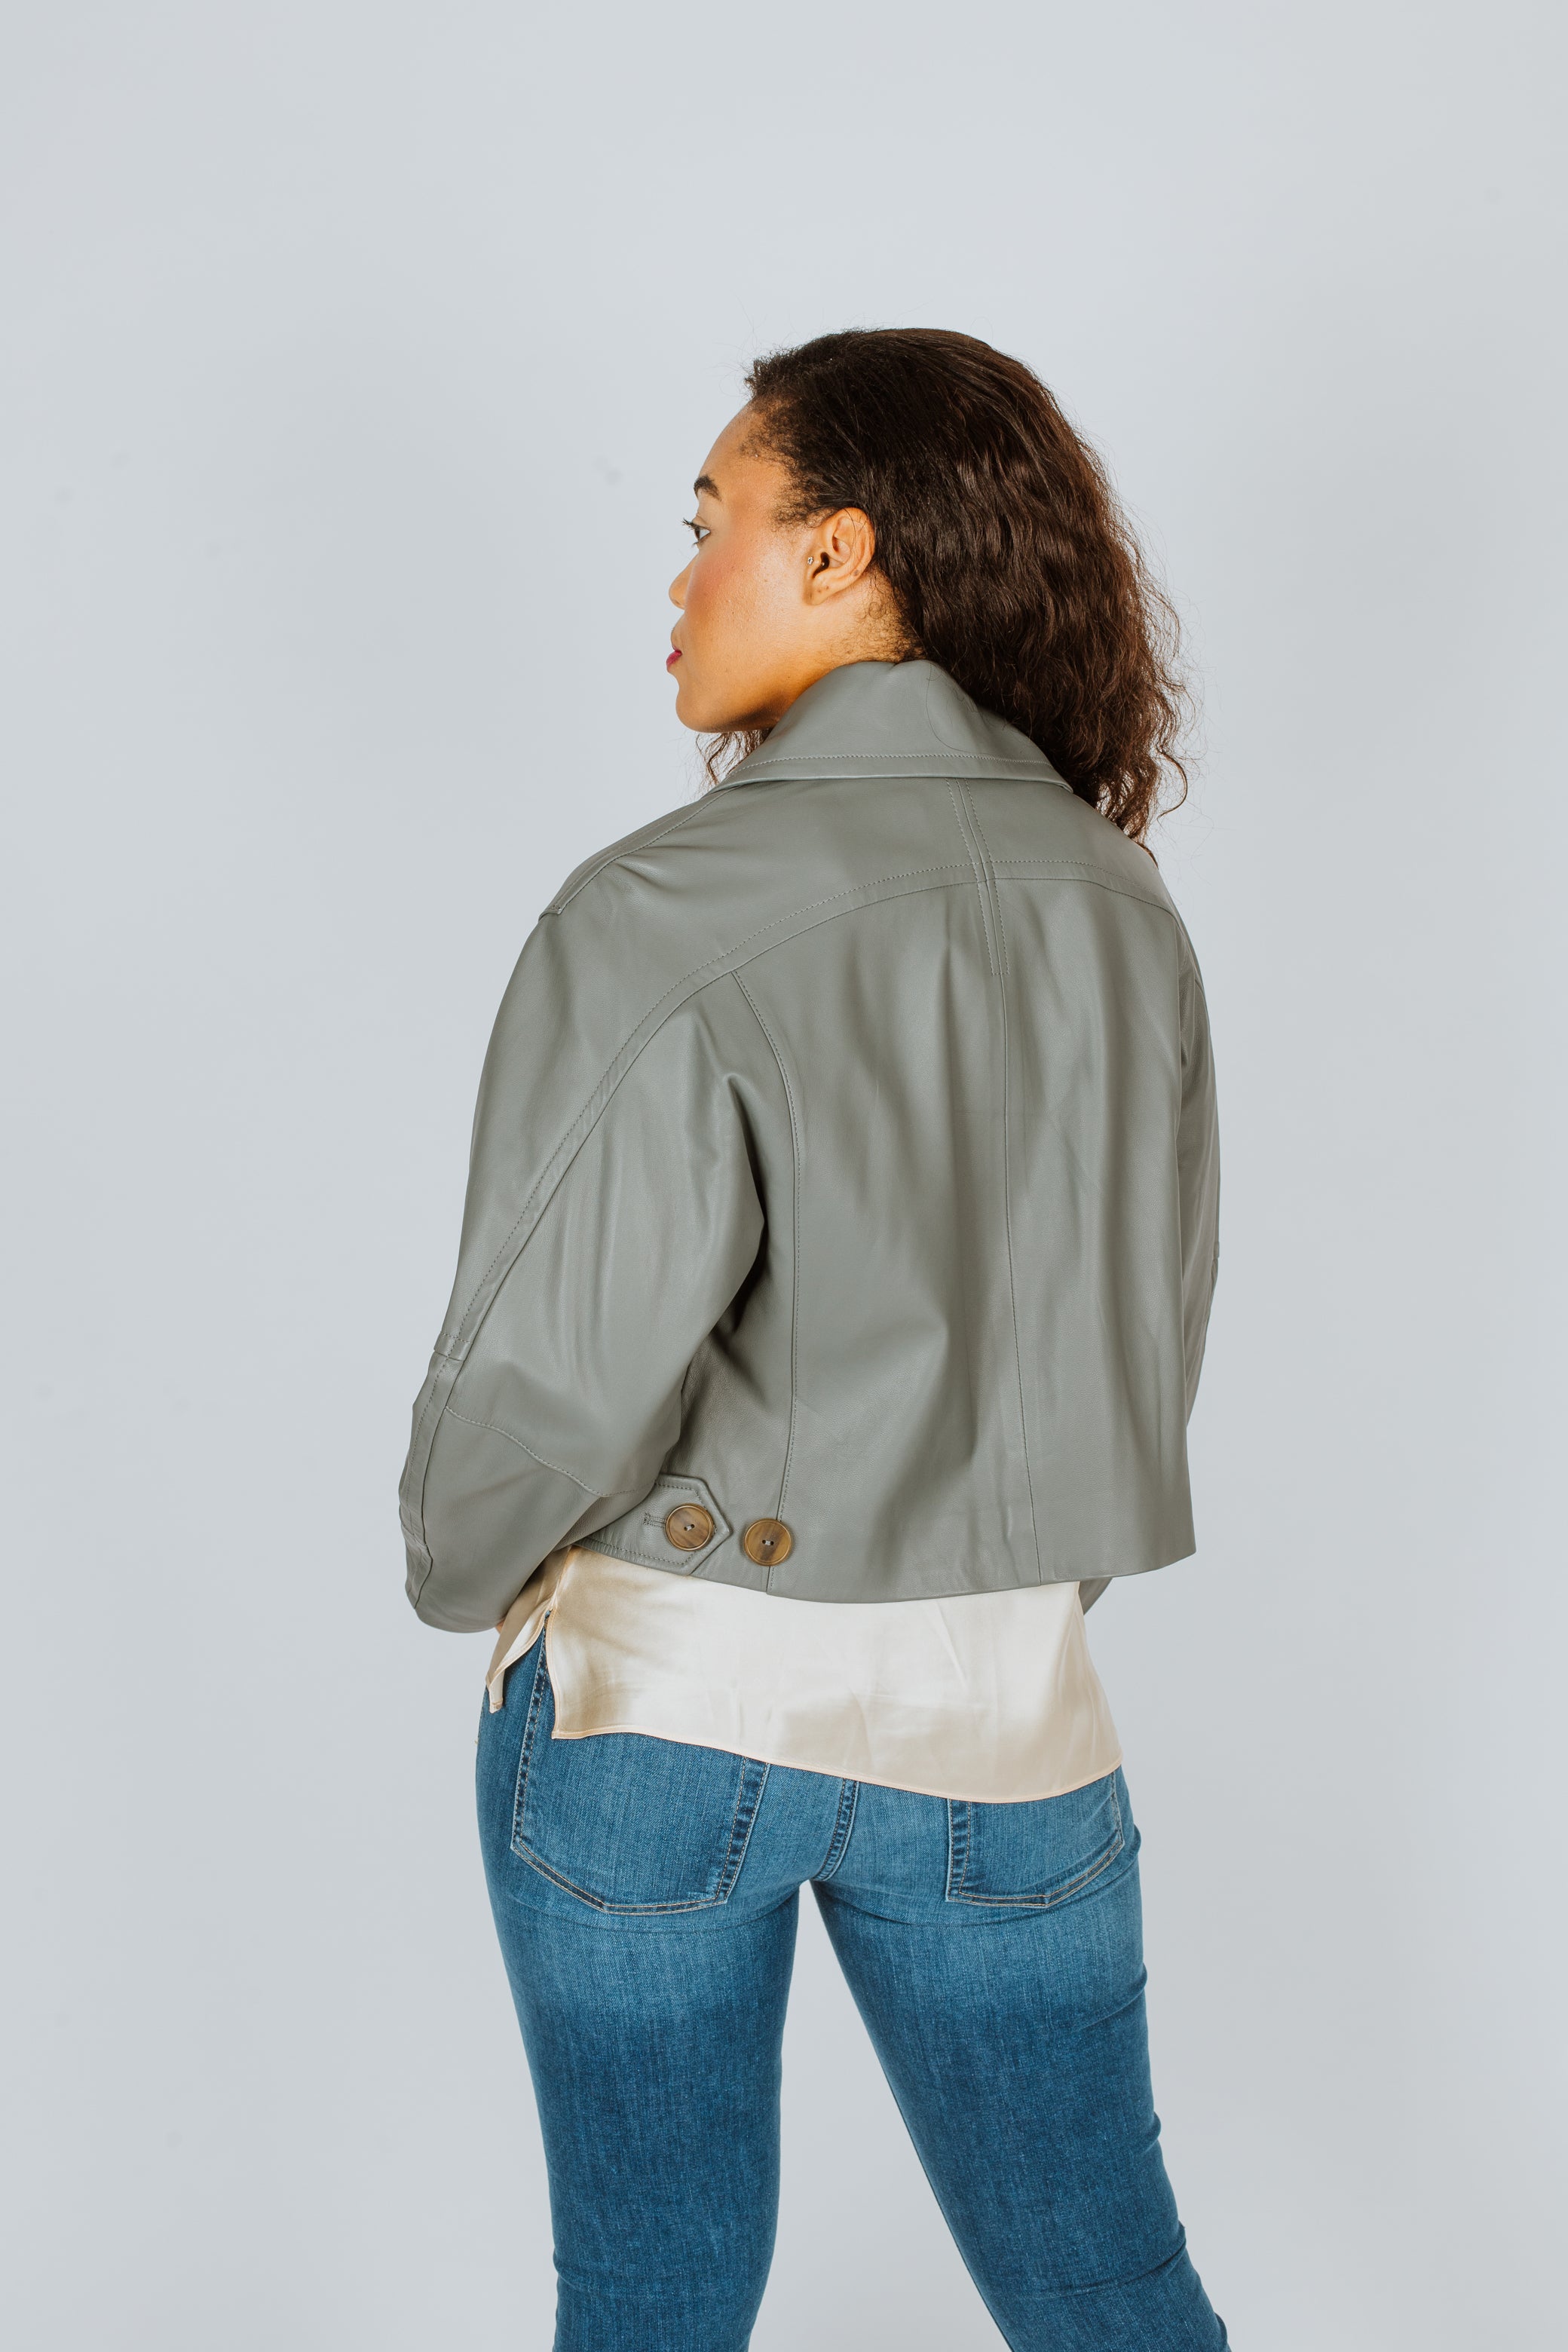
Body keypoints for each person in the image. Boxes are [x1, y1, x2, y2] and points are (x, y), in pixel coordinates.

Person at [400, 327, 1226, 2350]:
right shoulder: (1118, 908)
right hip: (1007, 1717)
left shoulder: (663, 905)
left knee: (655, 2306)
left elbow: (553, 1379)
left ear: (842, 551)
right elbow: (1138, 1342)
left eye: (715, 523)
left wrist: (452, 1562)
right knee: (1111, 2298)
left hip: (668, 1701)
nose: (681, 577)